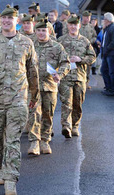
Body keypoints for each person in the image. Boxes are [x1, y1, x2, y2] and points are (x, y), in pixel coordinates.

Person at [0, 5, 40, 195]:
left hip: (18, 100)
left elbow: (33, 72)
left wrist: (34, 96)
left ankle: (11, 180)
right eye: (3, 19)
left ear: (16, 21)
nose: (6, 22)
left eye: (10, 19)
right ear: (0, 21)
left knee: (12, 140)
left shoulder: (27, 43)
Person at [27, 19, 70, 155]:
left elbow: (66, 63)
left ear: (49, 31)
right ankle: (34, 142)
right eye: (38, 30)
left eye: (44, 30)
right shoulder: (30, 46)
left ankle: (45, 141)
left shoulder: (57, 47)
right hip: (32, 86)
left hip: (50, 86)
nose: (41, 33)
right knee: (33, 113)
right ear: (35, 31)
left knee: (48, 114)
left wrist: (60, 74)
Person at [58, 15, 96, 138]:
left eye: (75, 25)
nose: (73, 27)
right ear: (68, 26)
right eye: (71, 24)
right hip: (65, 77)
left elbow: (92, 57)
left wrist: (81, 59)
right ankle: (66, 126)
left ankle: (75, 125)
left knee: (77, 103)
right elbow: (54, 56)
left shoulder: (85, 41)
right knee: (66, 102)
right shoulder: (61, 40)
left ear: (79, 26)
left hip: (80, 77)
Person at [100, 12, 114, 96]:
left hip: (111, 53)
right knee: (104, 70)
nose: (103, 20)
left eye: (104, 19)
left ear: (108, 20)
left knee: (111, 72)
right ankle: (109, 87)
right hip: (107, 53)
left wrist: (107, 49)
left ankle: (113, 90)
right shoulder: (108, 27)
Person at [79, 11, 97, 89]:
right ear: (83, 17)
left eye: (88, 18)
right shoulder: (78, 26)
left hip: (87, 49)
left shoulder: (91, 27)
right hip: (78, 49)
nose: (87, 19)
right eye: (86, 17)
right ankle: (79, 82)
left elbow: (94, 36)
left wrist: (91, 41)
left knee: (88, 66)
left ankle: (86, 83)